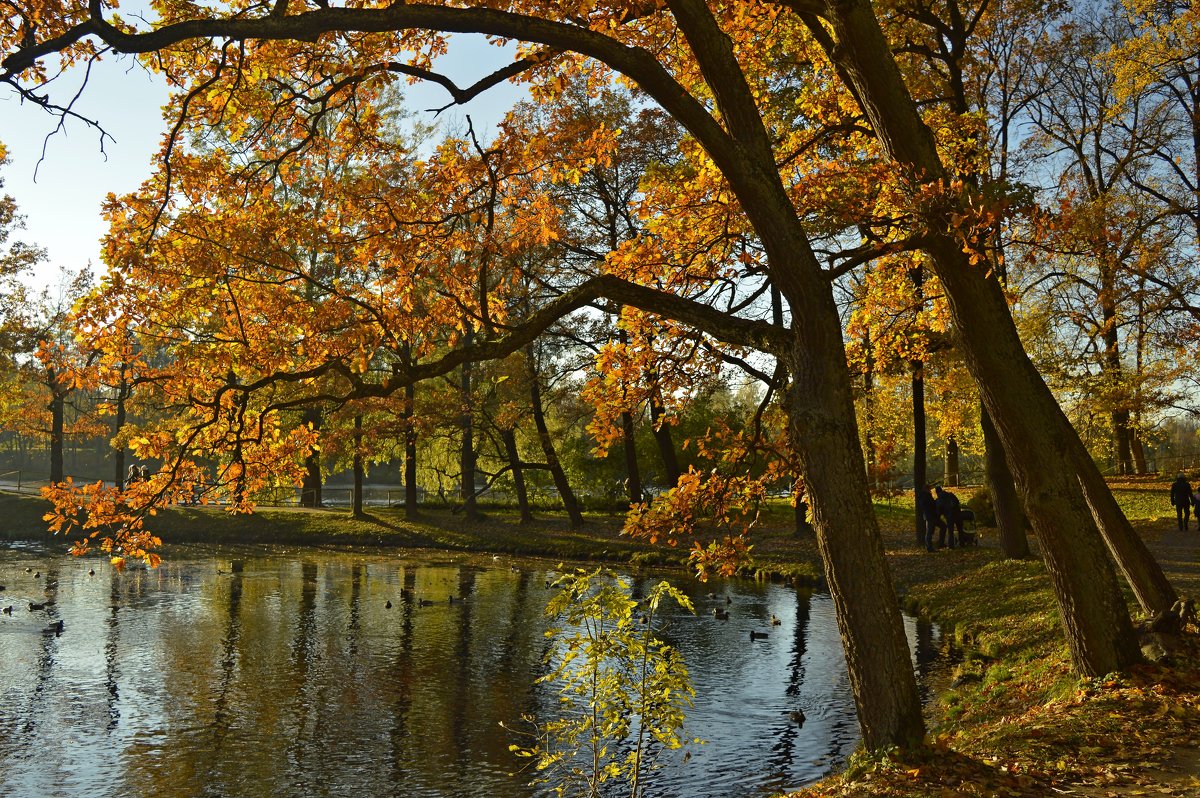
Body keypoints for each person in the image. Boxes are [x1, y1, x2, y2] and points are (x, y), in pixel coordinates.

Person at [916, 484, 944, 552]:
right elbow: (929, 505)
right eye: (929, 489)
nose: (930, 490)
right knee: (929, 532)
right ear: (927, 489)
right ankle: (929, 547)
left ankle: (939, 543)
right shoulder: (925, 496)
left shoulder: (924, 496)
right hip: (930, 516)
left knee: (942, 527)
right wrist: (935, 502)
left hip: (931, 515)